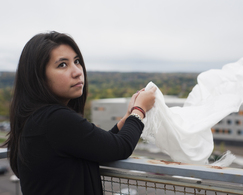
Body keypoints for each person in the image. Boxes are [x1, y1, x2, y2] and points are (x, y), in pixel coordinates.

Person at [3, 31, 156, 195]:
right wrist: (140, 110)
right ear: (39, 77)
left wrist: (127, 118)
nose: (77, 71)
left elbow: (99, 146)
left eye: (77, 61)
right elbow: (120, 148)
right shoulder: (55, 119)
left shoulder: (37, 118)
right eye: (62, 64)